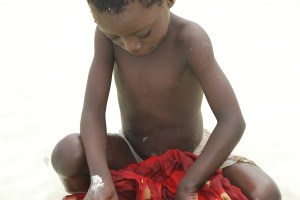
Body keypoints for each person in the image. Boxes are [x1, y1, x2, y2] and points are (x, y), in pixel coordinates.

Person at [51, 0, 281, 199]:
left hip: (194, 154)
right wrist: (100, 179)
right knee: (68, 154)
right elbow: (93, 111)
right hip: (133, 151)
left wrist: (190, 184)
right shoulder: (105, 37)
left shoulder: (189, 39)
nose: (130, 46)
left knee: (265, 192)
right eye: (116, 37)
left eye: (143, 34)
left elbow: (232, 121)